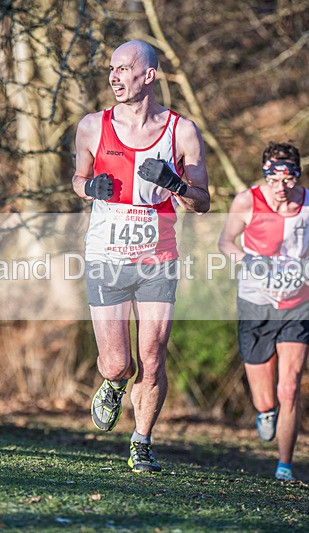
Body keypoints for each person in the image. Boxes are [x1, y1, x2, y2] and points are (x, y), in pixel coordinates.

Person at [71, 40, 210, 473]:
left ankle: (141, 440)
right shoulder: (93, 126)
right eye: (110, 69)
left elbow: (203, 201)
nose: (113, 76)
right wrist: (89, 188)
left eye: (123, 68)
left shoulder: (181, 132)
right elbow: (78, 178)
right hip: (106, 255)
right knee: (119, 362)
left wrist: (176, 183)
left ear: (148, 75)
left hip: (158, 256)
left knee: (153, 355)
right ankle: (113, 384)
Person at [218, 142, 309, 481]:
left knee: (289, 388)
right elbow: (225, 242)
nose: (281, 189)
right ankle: (265, 412)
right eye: (273, 180)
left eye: (288, 179)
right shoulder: (247, 201)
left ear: (298, 175)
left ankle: (285, 466)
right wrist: (250, 263)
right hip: (255, 304)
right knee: (266, 400)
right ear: (264, 175)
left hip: (296, 304)